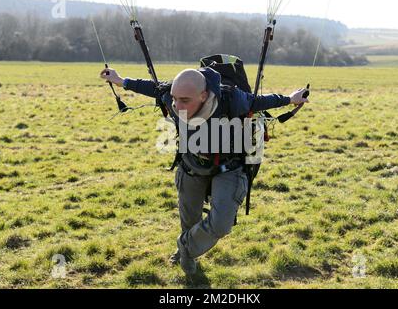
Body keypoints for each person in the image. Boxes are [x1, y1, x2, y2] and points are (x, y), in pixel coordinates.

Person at [100, 66, 309, 275]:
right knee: (189, 220)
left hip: (228, 168)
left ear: (203, 95)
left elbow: (259, 101)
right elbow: (152, 87)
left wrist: (291, 99)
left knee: (220, 224)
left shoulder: (232, 99)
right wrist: (120, 80)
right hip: (191, 165)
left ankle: (186, 247)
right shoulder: (171, 96)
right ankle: (188, 255)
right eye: (174, 98)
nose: (177, 105)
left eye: (184, 100)